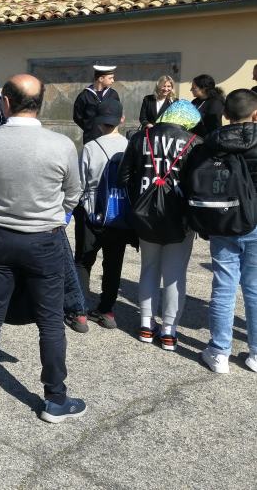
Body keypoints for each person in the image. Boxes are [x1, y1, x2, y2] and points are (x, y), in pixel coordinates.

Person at [0, 74, 86, 423]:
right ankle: (55, 398)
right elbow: (74, 192)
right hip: (44, 238)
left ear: (5, 101)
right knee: (50, 319)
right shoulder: (61, 144)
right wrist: (53, 214)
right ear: (42, 103)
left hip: (0, 236)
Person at [118, 100, 202, 351]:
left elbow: (124, 177)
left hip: (145, 217)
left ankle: (145, 325)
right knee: (175, 276)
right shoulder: (195, 142)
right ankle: (169, 332)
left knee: (149, 269)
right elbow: (199, 184)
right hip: (180, 219)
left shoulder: (140, 137)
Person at [191, 89, 257, 374]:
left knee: (223, 285)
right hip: (256, 222)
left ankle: (219, 352)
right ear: (255, 114)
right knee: (255, 288)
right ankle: (255, 353)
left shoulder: (211, 143)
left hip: (222, 217)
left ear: (225, 115)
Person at [74, 99, 135, 329]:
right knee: (113, 262)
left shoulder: (90, 147)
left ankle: (79, 311)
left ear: (98, 122)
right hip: (118, 214)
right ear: (122, 119)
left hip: (91, 212)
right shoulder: (130, 146)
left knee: (83, 261)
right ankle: (107, 310)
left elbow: (80, 183)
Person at [73, 65, 120, 144]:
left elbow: (118, 113)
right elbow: (77, 117)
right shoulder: (84, 96)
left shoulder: (113, 94)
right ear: (101, 79)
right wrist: (90, 128)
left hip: (110, 138)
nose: (113, 81)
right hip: (91, 139)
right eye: (110, 78)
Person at [190, 73, 225, 138]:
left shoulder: (215, 103)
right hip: (193, 138)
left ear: (203, 89)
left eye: (193, 87)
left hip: (207, 140)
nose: (191, 90)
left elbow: (214, 126)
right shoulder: (195, 101)